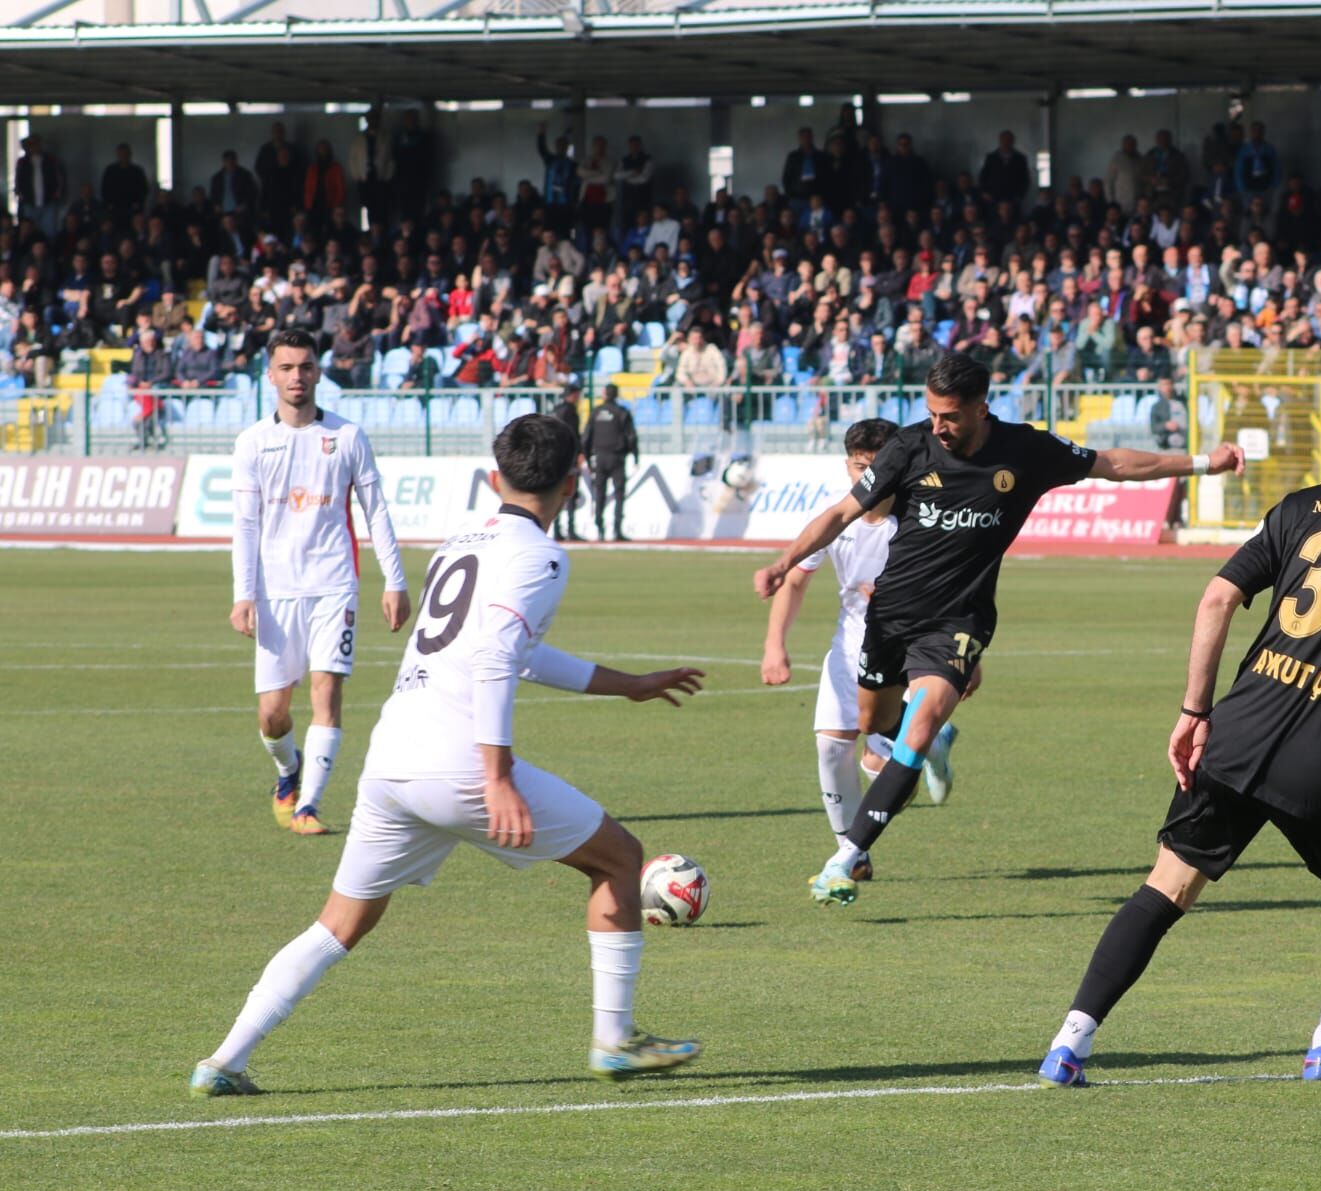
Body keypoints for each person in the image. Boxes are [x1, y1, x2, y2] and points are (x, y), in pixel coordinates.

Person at [190, 415, 708, 1098]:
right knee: (619, 857)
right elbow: (498, 655)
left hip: (393, 757)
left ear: (495, 479)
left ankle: (222, 1061)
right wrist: (496, 777)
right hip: (459, 759)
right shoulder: (543, 556)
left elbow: (515, 652)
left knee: (339, 921)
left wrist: (626, 684)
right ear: (574, 480)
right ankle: (614, 1040)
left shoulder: (462, 540)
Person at [1035, 386, 1321, 1088]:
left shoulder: (1307, 504)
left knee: (1167, 884)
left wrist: (1196, 710)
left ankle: (1069, 1044)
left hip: (1240, 733)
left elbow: (1219, 596)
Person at [753, 352, 1245, 906]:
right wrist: (783, 561)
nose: (939, 426)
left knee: (914, 731)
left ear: (982, 408)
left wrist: (1206, 462)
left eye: (951, 416)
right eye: (933, 413)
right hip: (889, 617)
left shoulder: (1026, 451)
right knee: (877, 729)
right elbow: (841, 513)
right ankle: (931, 743)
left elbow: (1116, 464)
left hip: (958, 621)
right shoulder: (908, 447)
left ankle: (845, 858)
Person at [761, 419, 978, 877]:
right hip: (851, 644)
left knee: (883, 767)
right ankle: (851, 852)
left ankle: (924, 741)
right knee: (829, 749)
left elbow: (961, 588)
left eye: (878, 466)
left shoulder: (924, 517)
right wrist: (774, 646)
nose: (869, 477)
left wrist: (969, 657)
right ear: (848, 466)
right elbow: (795, 580)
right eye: (861, 466)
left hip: (912, 648)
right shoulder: (835, 517)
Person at [229, 330, 412, 838]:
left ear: (318, 372)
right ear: (270, 375)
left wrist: (393, 582)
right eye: (286, 368)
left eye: (305, 367)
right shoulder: (252, 443)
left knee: (326, 693)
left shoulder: (348, 436)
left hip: (335, 584)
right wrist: (243, 594)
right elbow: (245, 525)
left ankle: (308, 804)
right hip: (274, 591)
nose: (296, 377)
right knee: (272, 714)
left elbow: (376, 512)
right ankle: (289, 771)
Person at [583, 381, 638, 542]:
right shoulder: (622, 412)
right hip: (617, 457)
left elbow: (586, 437)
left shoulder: (596, 412)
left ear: (605, 394)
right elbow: (632, 437)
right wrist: (635, 455)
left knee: (599, 494)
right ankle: (617, 529)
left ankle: (599, 529)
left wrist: (587, 458)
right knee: (619, 493)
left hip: (599, 457)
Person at [551, 382, 585, 541]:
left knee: (556, 493)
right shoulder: (570, 412)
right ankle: (570, 529)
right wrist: (578, 453)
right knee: (570, 493)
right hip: (568, 458)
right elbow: (573, 436)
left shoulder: (556, 411)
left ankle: (557, 529)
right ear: (572, 395)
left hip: (554, 457)